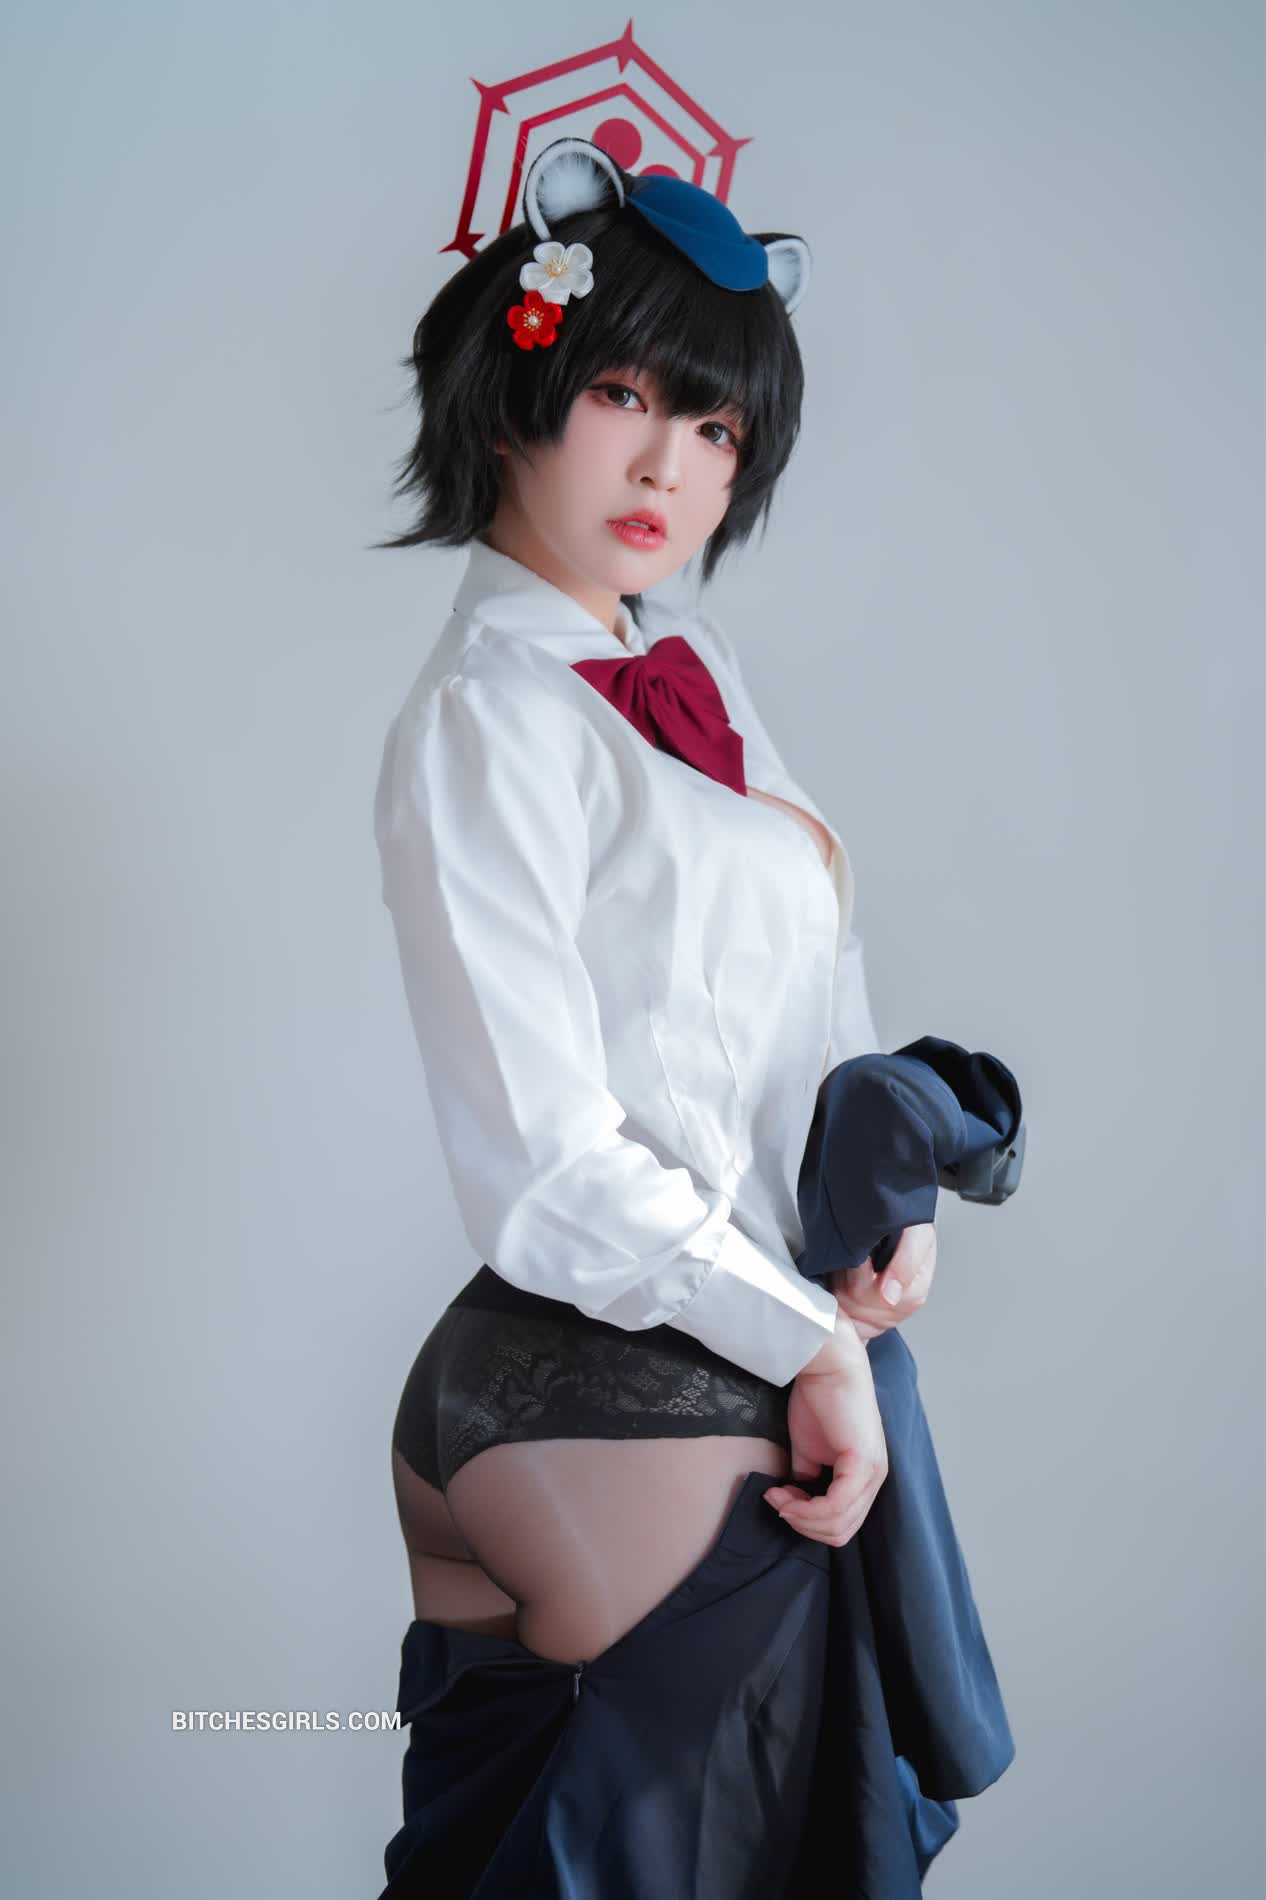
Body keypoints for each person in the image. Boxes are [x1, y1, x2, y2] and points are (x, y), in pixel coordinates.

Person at [368, 137, 991, 1897]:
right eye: (625, 396)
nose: (669, 466)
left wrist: (883, 1218)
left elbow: (809, 979)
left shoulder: (686, 670)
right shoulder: (488, 717)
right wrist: (805, 1343)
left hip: (667, 1357)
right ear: (515, 389)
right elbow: (548, 1164)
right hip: (617, 1366)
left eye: (716, 428)